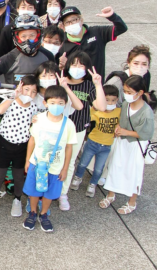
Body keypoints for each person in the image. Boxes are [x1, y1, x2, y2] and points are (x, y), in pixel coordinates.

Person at [0, 76, 43, 218]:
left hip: (21, 146)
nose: (29, 94)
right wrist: (13, 96)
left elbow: (36, 123)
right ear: (20, 87)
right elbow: (0, 110)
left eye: (33, 92)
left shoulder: (34, 107)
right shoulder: (11, 101)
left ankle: (17, 199)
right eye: (27, 89)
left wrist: (37, 120)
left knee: (18, 176)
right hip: (4, 144)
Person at [22, 85, 77, 232]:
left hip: (56, 167)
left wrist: (65, 169)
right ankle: (33, 212)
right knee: (34, 191)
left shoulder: (69, 125)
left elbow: (69, 148)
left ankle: (44, 214)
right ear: (45, 103)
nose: (56, 106)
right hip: (37, 164)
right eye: (52, 103)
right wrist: (28, 160)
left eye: (60, 103)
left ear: (65, 104)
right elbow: (32, 140)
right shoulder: (38, 119)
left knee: (50, 193)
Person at [57, 51, 107, 211]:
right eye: (74, 64)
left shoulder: (89, 85)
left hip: (78, 129)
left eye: (82, 65)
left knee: (69, 162)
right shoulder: (61, 80)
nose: (77, 68)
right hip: (57, 128)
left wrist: (98, 84)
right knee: (53, 160)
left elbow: (101, 106)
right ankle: (50, 190)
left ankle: (63, 193)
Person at [101, 76, 155, 214]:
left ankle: (132, 202)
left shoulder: (146, 112)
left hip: (136, 146)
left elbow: (146, 134)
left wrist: (125, 131)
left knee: (134, 172)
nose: (126, 94)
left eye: (130, 92)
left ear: (140, 93)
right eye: (125, 91)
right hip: (122, 142)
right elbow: (122, 120)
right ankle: (111, 194)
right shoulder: (126, 104)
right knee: (115, 166)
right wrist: (118, 128)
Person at [0, 14, 54, 85]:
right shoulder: (10, 57)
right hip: (14, 99)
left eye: (32, 35)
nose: (27, 40)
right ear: (16, 38)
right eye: (23, 36)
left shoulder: (48, 56)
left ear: (39, 36)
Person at [69, 84, 120, 198]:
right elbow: (86, 116)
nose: (110, 103)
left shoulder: (118, 112)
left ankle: (93, 184)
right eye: (106, 100)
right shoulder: (96, 111)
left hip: (106, 146)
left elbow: (122, 122)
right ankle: (78, 177)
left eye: (113, 100)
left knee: (98, 169)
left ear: (117, 100)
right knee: (82, 163)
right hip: (92, 142)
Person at [57, 6, 128, 79]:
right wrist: (63, 66)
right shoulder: (61, 44)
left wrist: (112, 16)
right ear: (63, 26)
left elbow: (121, 28)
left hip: (97, 86)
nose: (71, 24)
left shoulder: (97, 32)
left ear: (81, 20)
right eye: (67, 22)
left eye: (74, 20)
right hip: (74, 88)